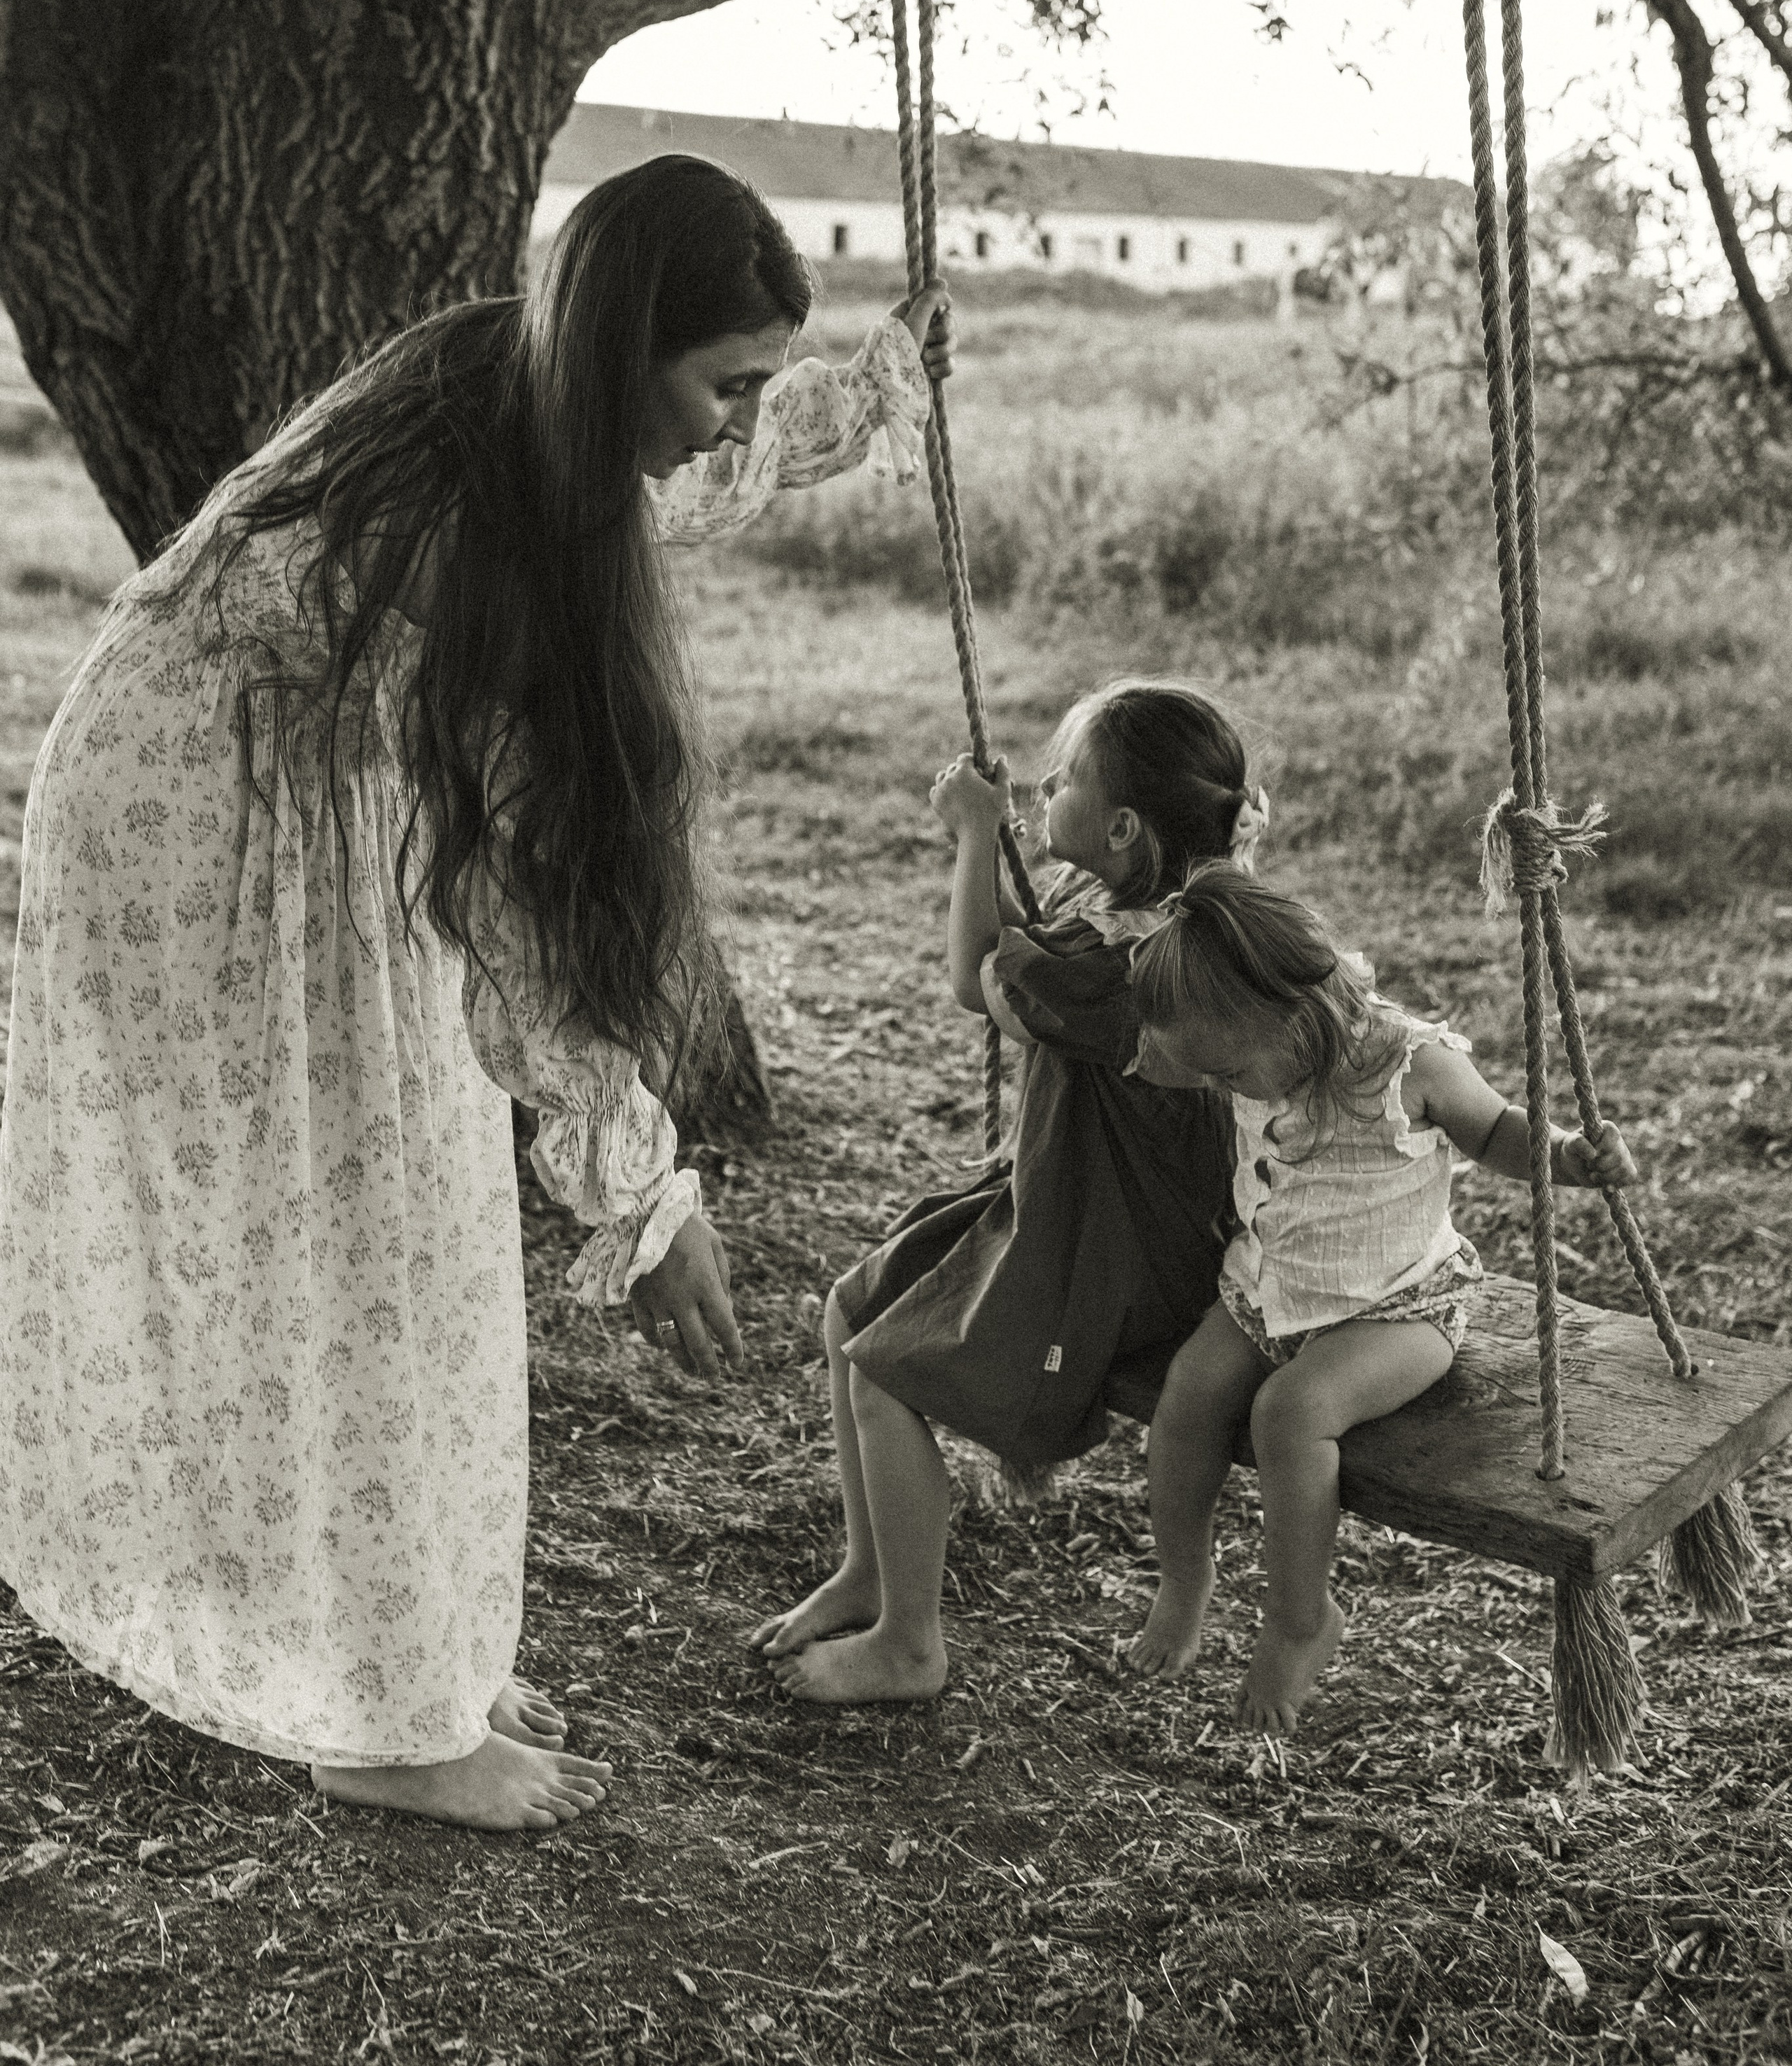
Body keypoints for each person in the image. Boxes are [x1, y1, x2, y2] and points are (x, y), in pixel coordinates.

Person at [0, 152, 949, 1832]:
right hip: (198, 829)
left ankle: (389, 1659)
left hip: (299, 788)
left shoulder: (522, 389)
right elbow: (522, 927)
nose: (736, 421)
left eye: (760, 384)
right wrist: (644, 1200)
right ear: (621, 349)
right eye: (727, 383)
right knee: (358, 1243)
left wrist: (870, 393)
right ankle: (378, 1713)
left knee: (401, 1216)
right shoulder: (473, 525)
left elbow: (685, 474)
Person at [754, 679, 1267, 1703]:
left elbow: (973, 977)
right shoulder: (1162, 907)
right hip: (1079, 1192)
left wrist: (973, 837)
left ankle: (910, 1645)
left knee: (885, 1374)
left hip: (1117, 1246)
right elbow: (1020, 945)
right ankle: (869, 1569)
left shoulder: (1118, 965)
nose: (1042, 786)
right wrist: (996, 843)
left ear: (1123, 829)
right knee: (851, 1310)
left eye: (1063, 778)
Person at [1124, 865, 1635, 1729]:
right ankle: (1183, 1579)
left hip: (1399, 1311)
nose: (1222, 1089)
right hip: (1268, 1291)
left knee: (1290, 1413)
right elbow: (1173, 1049)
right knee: (1187, 1395)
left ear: (1298, 1016)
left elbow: (1496, 1131)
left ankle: (1299, 1619)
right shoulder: (1243, 1043)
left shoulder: (1409, 1062)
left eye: (1229, 1073)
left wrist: (1567, 1157)